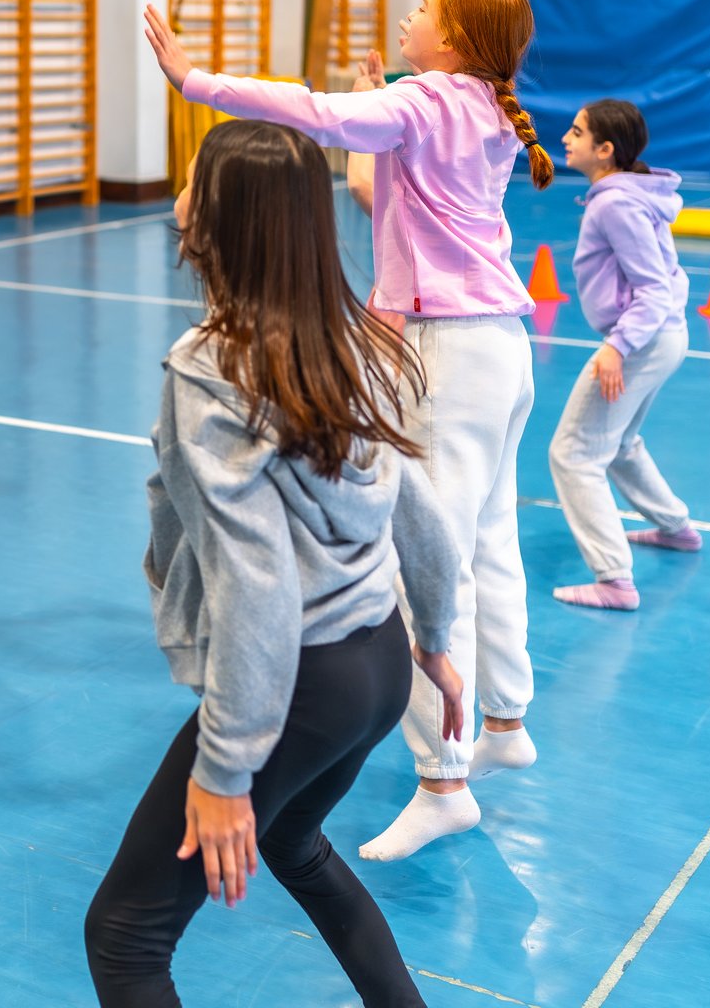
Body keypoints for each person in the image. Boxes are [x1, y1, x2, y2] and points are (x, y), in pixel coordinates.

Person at [144, 0, 551, 861]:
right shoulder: (478, 108)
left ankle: (445, 781)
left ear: (451, 41)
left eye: (422, 10)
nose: (407, 17)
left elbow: (312, 115)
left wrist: (197, 82)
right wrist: (380, 109)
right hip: (503, 348)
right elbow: (382, 193)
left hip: (448, 352)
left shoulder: (430, 99)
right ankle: (506, 717)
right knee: (489, 537)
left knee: (426, 562)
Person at [84, 120, 464, 1008]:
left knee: (126, 936)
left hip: (300, 679)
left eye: (191, 183)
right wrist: (437, 636)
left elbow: (256, 583)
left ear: (218, 220)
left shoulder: (213, 371)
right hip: (375, 657)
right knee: (298, 843)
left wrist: (224, 770)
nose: (177, 197)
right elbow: (419, 507)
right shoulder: (353, 340)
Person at [548, 100, 699, 610]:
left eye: (577, 131)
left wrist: (617, 347)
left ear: (605, 149)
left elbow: (653, 289)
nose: (566, 138)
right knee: (622, 442)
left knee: (573, 454)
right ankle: (675, 526)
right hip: (664, 337)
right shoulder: (624, 195)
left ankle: (614, 580)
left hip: (645, 338)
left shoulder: (615, 203)